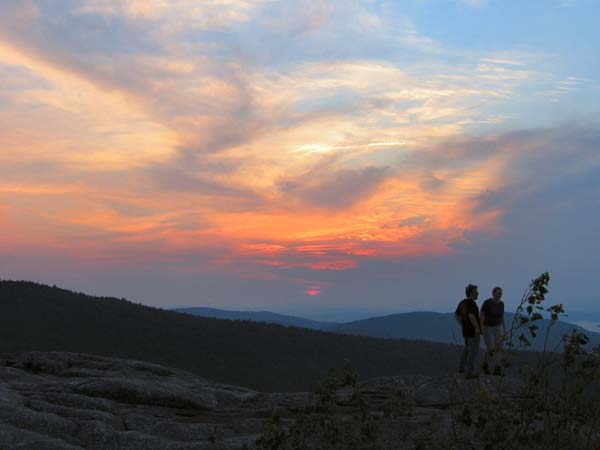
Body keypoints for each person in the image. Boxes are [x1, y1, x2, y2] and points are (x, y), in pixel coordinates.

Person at [455, 284, 481, 379]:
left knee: (467, 349)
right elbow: (471, 315)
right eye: (476, 291)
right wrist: (477, 328)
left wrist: (462, 324)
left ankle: (461, 368)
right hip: (472, 331)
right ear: (471, 293)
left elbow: (456, 315)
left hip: (465, 331)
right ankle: (469, 371)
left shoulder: (462, 302)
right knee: (473, 351)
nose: (478, 293)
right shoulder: (471, 303)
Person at [480, 287, 506, 376]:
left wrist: (504, 328)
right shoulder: (487, 303)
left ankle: (497, 368)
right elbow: (482, 315)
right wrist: (481, 327)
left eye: (501, 294)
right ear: (493, 293)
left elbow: (502, 316)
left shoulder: (501, 304)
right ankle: (485, 364)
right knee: (490, 348)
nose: (500, 295)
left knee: (499, 347)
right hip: (488, 327)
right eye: (498, 293)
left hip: (498, 326)